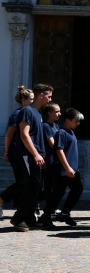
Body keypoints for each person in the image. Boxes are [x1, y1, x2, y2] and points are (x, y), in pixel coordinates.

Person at [9, 83, 53, 232]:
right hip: (28, 155)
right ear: (41, 95)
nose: (50, 99)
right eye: (49, 96)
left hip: (37, 155)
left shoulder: (37, 113)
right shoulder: (27, 111)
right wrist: (35, 154)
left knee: (36, 186)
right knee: (32, 185)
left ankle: (29, 218)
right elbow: (24, 134)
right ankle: (18, 218)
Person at [41, 108, 84, 227]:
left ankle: (64, 213)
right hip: (63, 170)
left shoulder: (71, 132)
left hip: (72, 169)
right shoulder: (61, 133)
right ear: (68, 120)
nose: (78, 123)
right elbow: (59, 150)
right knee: (58, 194)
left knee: (77, 189)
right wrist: (67, 168)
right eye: (76, 121)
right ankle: (46, 216)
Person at [0, 86, 35, 219]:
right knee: (22, 181)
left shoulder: (28, 112)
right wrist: (7, 150)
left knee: (24, 181)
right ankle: (1, 199)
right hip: (17, 151)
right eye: (31, 99)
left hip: (21, 151)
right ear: (24, 100)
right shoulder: (18, 114)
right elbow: (9, 134)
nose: (33, 101)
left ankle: (21, 206)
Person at [39, 102, 61, 221]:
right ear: (49, 113)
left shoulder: (56, 126)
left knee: (54, 185)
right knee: (50, 186)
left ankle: (50, 207)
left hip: (55, 160)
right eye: (56, 111)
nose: (59, 114)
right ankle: (48, 208)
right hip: (49, 160)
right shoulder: (46, 126)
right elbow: (52, 143)